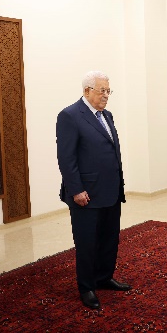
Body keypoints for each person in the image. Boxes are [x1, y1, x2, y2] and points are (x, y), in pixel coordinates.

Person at [56, 71, 130, 310]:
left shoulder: (106, 115)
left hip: (110, 191)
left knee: (109, 239)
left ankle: (104, 277)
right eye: (102, 91)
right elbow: (66, 158)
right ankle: (87, 287)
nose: (106, 95)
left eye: (109, 91)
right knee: (87, 243)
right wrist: (76, 190)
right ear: (87, 91)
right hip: (86, 194)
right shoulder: (69, 116)